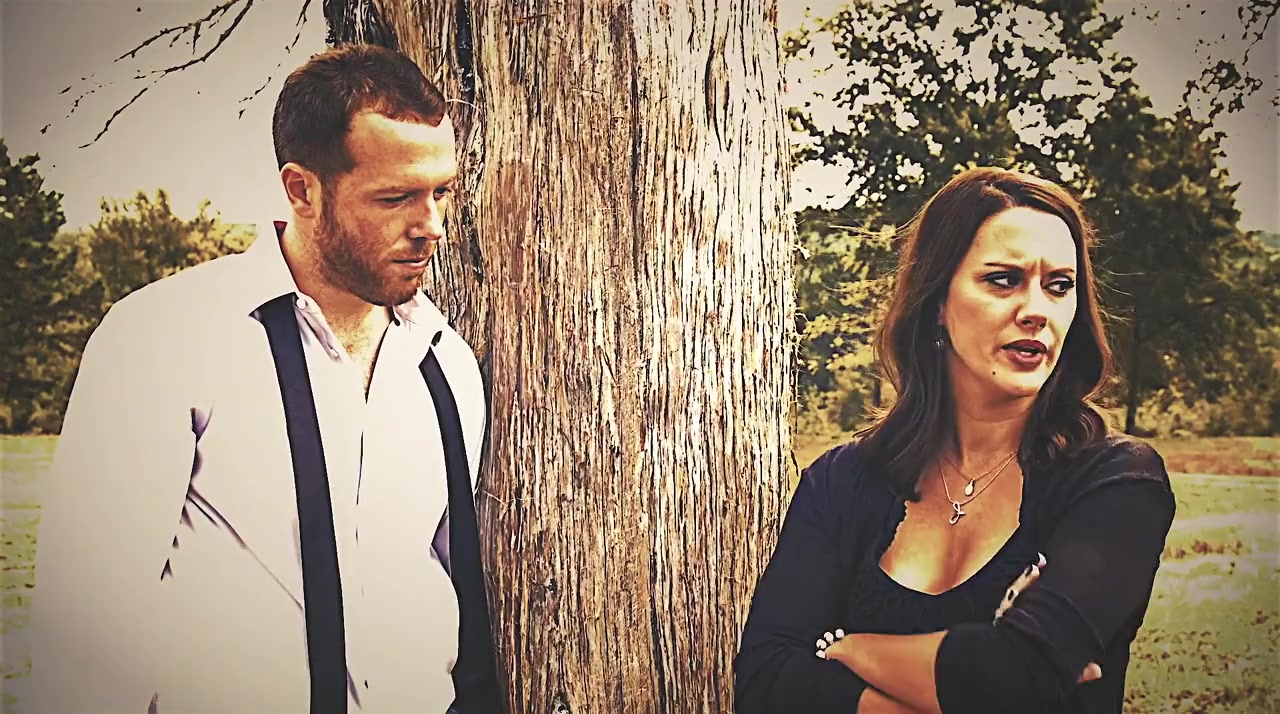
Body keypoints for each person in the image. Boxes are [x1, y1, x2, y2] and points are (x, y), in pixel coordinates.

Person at [22, 44, 503, 713]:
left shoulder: (445, 363)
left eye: (441, 192)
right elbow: (85, 643)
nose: (432, 227)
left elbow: (444, 585)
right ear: (302, 190)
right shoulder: (165, 338)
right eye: (396, 197)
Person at [734, 167, 1176, 713]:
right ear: (937, 301)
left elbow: (1022, 673)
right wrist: (980, 676)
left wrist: (851, 650)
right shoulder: (840, 482)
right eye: (1003, 280)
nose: (1037, 311)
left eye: (1059, 286)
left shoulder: (1117, 481)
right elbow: (766, 681)